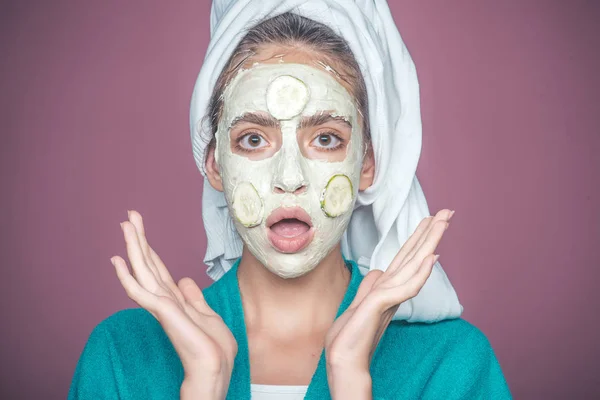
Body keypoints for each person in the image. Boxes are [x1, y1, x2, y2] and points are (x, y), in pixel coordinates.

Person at [68, 2, 512, 399]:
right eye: (254, 138)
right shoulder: (123, 356)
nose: (290, 179)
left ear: (367, 165)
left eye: (325, 138)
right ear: (215, 164)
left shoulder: (452, 364)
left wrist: (351, 382)